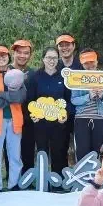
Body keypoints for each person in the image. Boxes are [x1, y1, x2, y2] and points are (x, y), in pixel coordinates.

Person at [0, 45, 27, 192]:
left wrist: (1, 95)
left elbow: (21, 97)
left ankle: (14, 184)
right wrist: (10, 99)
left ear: (8, 57)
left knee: (15, 156)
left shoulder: (17, 73)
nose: (1, 58)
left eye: (3, 55)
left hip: (15, 120)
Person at [26, 46, 73, 177]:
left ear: (58, 59)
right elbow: (29, 100)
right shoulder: (35, 77)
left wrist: (66, 114)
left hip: (59, 124)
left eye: (54, 58)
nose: (51, 61)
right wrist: (32, 115)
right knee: (42, 153)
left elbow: (69, 100)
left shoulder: (64, 77)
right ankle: (43, 181)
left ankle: (59, 181)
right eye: (48, 57)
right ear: (43, 59)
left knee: (59, 153)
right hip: (40, 124)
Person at [71, 49, 103, 160]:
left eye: (92, 61)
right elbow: (74, 100)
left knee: (97, 152)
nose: (90, 65)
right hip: (82, 118)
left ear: (97, 61)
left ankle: (97, 172)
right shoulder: (76, 78)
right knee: (81, 152)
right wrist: (88, 96)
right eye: (86, 63)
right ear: (82, 64)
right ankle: (81, 171)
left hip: (100, 118)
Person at [12, 39, 37, 170]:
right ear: (14, 53)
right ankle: (12, 177)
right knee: (11, 151)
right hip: (10, 118)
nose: (22, 56)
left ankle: (28, 176)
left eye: (26, 53)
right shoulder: (6, 71)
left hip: (29, 120)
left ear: (30, 55)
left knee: (28, 151)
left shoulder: (33, 74)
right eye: (19, 52)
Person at [55, 33, 81, 161]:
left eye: (68, 44)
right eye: (61, 45)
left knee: (81, 148)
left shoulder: (82, 65)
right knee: (60, 148)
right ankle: (59, 173)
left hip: (80, 113)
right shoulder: (53, 66)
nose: (65, 48)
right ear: (57, 48)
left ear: (74, 46)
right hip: (59, 114)